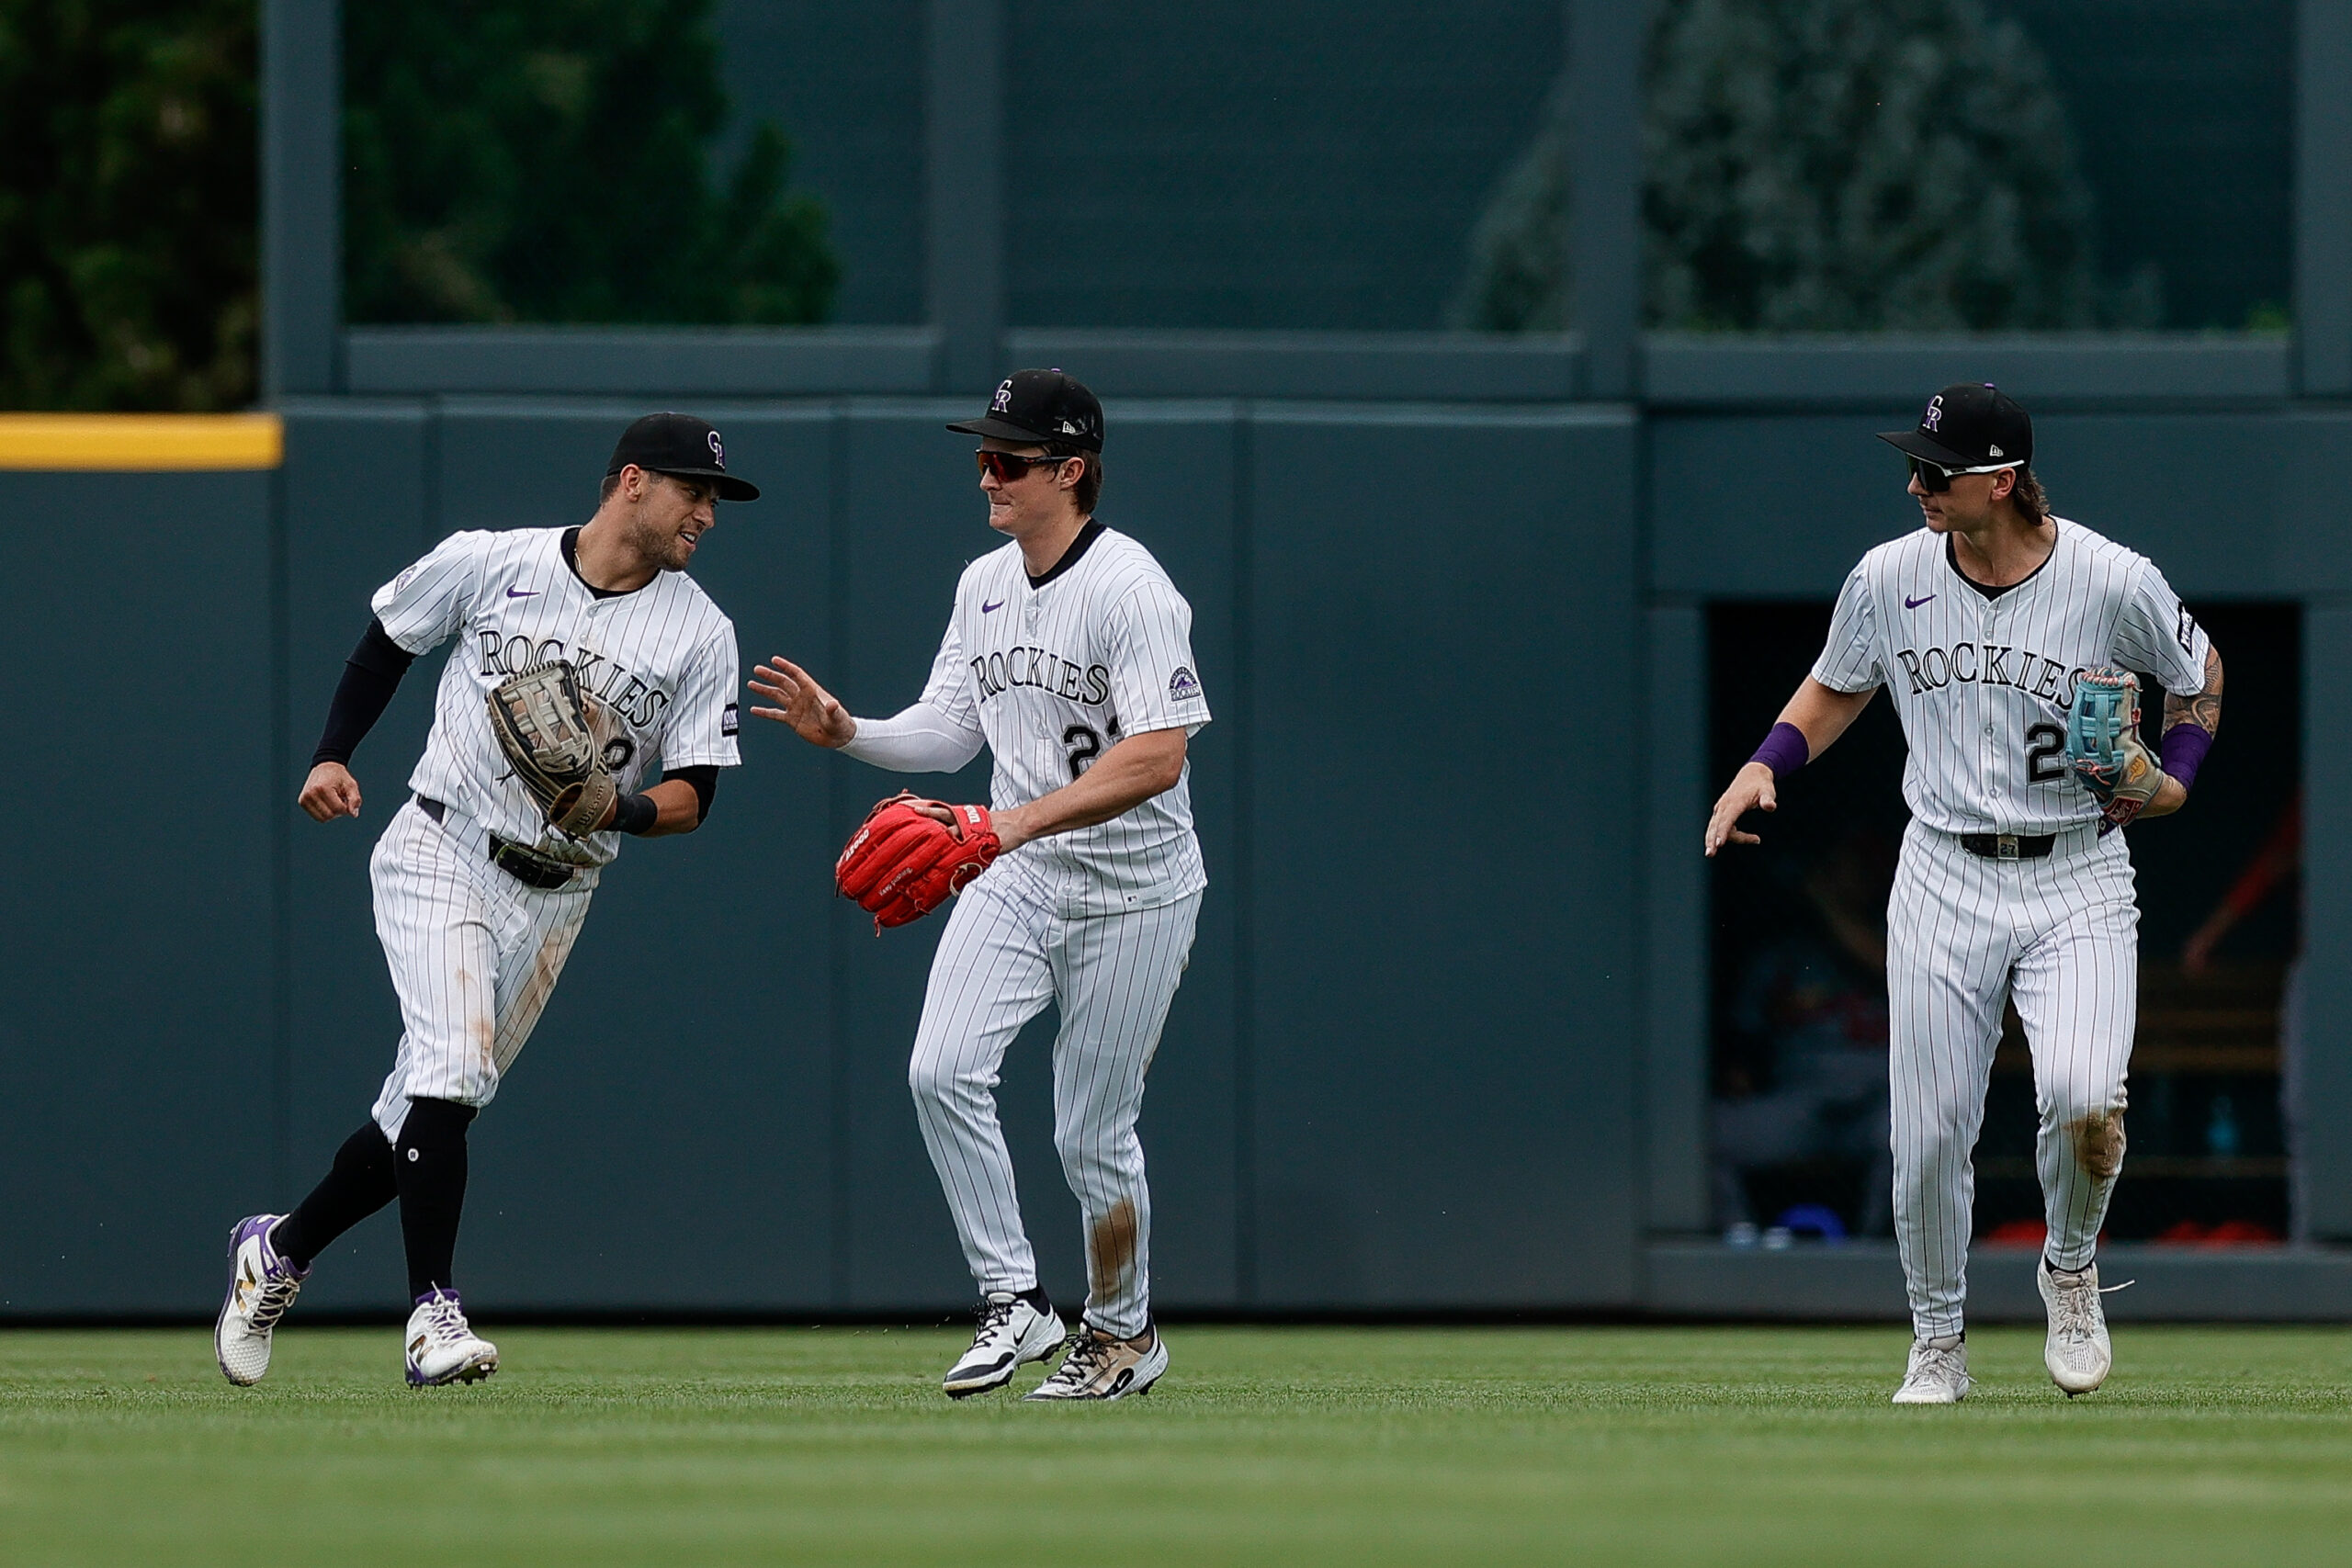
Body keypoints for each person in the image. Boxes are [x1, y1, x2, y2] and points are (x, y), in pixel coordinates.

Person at [1703, 383, 2224, 1404]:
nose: (1915, 485)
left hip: (2075, 868)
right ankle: (1937, 1340)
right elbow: (1838, 681)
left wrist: (2175, 779)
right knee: (1931, 1130)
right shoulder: (1888, 575)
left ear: (1999, 479)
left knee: (2084, 1101)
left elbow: (2198, 669)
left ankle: (2069, 1267)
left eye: (1935, 472)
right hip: (1942, 866)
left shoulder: (2111, 578)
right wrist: (1766, 760)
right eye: (1914, 467)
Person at [213, 413, 753, 1387]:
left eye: (714, 499)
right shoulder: (490, 561)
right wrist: (332, 753)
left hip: (558, 894)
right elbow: (388, 638)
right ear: (630, 482)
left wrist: (620, 807)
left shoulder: (700, 631)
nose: (707, 514)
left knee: (417, 1115)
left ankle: (278, 1250)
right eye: (693, 491)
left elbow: (697, 797)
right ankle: (434, 1317)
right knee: (453, 1072)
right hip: (442, 844)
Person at [750, 369, 1206, 1400]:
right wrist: (851, 732)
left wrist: (1009, 822)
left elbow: (1159, 757)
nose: (987, 475)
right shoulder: (983, 584)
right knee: (938, 1071)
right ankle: (1015, 1300)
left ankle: (1124, 1334)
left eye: (1009, 460)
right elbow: (954, 731)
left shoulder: (1131, 588)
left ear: (1072, 471)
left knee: (1090, 1130)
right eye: (981, 456)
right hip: (1016, 871)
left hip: (1138, 890)